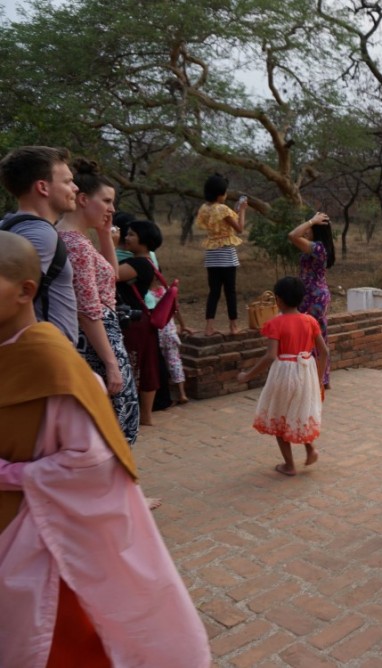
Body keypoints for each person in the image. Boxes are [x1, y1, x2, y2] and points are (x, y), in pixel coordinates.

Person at [0, 231, 210, 668]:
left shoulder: (51, 362)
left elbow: (93, 466)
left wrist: (11, 475)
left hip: (44, 547)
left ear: (25, 291)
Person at [56, 159, 141, 444]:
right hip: (98, 339)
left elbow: (111, 276)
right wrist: (111, 363)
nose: (112, 209)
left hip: (102, 334)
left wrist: (105, 235)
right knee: (115, 424)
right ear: (82, 200)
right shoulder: (76, 245)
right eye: (106, 201)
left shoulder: (77, 239)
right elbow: (89, 310)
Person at [238, 276, 328, 477]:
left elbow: (270, 356)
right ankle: (310, 449)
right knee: (300, 413)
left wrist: (248, 375)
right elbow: (324, 352)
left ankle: (289, 465)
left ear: (277, 299)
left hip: (284, 374)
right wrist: (318, 379)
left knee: (280, 416)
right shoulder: (310, 321)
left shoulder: (275, 324)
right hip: (306, 373)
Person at [0, 145, 78, 342]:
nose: (75, 188)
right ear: (43, 187)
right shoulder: (40, 234)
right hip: (41, 356)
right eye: (68, 181)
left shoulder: (7, 225)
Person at [116, 220, 164, 426]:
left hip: (134, 322)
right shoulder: (146, 263)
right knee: (146, 364)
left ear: (144, 241)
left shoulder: (139, 264)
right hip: (141, 320)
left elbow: (109, 273)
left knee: (137, 365)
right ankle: (146, 415)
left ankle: (142, 415)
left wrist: (109, 244)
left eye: (132, 235)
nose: (127, 238)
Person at [195, 173, 247, 335]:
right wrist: (243, 210)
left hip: (211, 256)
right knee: (230, 291)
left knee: (214, 292)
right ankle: (233, 326)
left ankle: (209, 327)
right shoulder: (222, 208)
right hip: (226, 255)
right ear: (220, 194)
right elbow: (240, 228)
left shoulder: (205, 208)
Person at [288, 210, 335, 387]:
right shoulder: (319, 247)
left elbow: (292, 235)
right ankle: (322, 378)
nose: (307, 230)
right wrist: (311, 222)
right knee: (319, 336)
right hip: (316, 295)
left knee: (310, 336)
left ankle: (314, 378)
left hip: (312, 296)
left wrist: (311, 220)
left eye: (311, 227)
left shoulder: (317, 248)